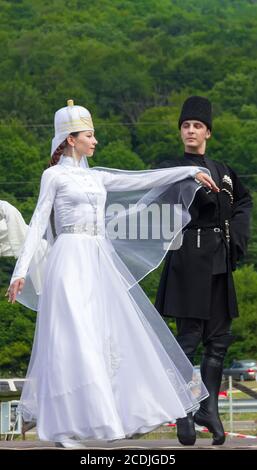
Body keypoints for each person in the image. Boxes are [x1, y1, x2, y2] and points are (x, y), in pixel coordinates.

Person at [8, 99, 218, 448]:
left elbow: (146, 178)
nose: (95, 141)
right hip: (68, 260)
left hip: (96, 261)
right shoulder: (54, 176)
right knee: (70, 338)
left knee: (99, 338)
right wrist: (21, 271)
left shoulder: (96, 177)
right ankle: (61, 427)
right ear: (70, 139)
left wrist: (187, 173)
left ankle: (95, 421)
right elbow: (36, 225)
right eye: (89, 136)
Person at [155, 96, 252, 446]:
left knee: (219, 340)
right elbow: (158, 188)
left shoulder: (223, 169)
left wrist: (236, 240)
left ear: (207, 132)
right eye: (185, 126)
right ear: (180, 132)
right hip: (188, 259)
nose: (190, 131)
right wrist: (188, 175)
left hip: (219, 261)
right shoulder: (171, 166)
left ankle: (208, 408)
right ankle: (183, 410)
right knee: (188, 339)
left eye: (197, 126)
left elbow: (243, 201)